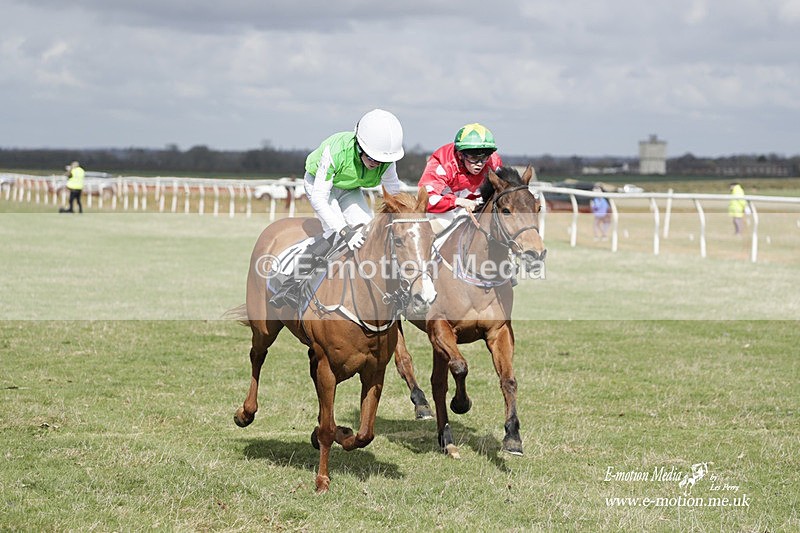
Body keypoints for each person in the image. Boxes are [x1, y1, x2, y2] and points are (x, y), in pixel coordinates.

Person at [269, 108, 405, 308]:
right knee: (334, 234)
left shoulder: (387, 161)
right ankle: (290, 284)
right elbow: (319, 198)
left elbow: (396, 197)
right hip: (319, 185)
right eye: (371, 157)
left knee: (367, 232)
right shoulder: (335, 150)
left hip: (349, 188)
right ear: (359, 143)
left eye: (381, 160)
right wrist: (344, 230)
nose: (376, 164)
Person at [418, 123, 503, 232]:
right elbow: (425, 200)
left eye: (484, 157)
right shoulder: (442, 162)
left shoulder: (493, 162)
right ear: (460, 155)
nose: (480, 164)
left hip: (476, 208)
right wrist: (458, 201)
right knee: (445, 221)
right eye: (473, 157)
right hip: (443, 212)